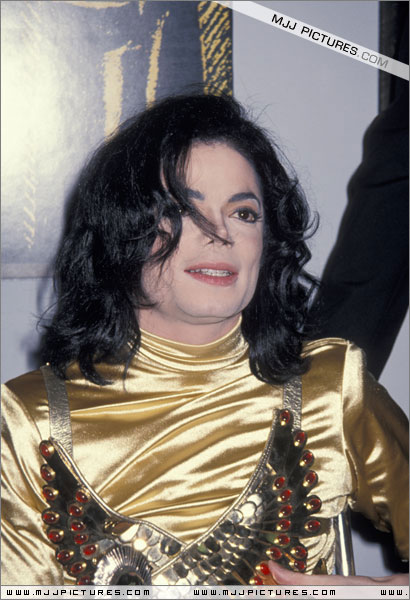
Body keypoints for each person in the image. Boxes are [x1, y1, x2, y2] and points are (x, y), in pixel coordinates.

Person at [1, 93, 408, 587]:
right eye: (182, 209)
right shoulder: (30, 420)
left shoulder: (330, 388)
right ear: (124, 232)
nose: (220, 234)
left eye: (244, 213)